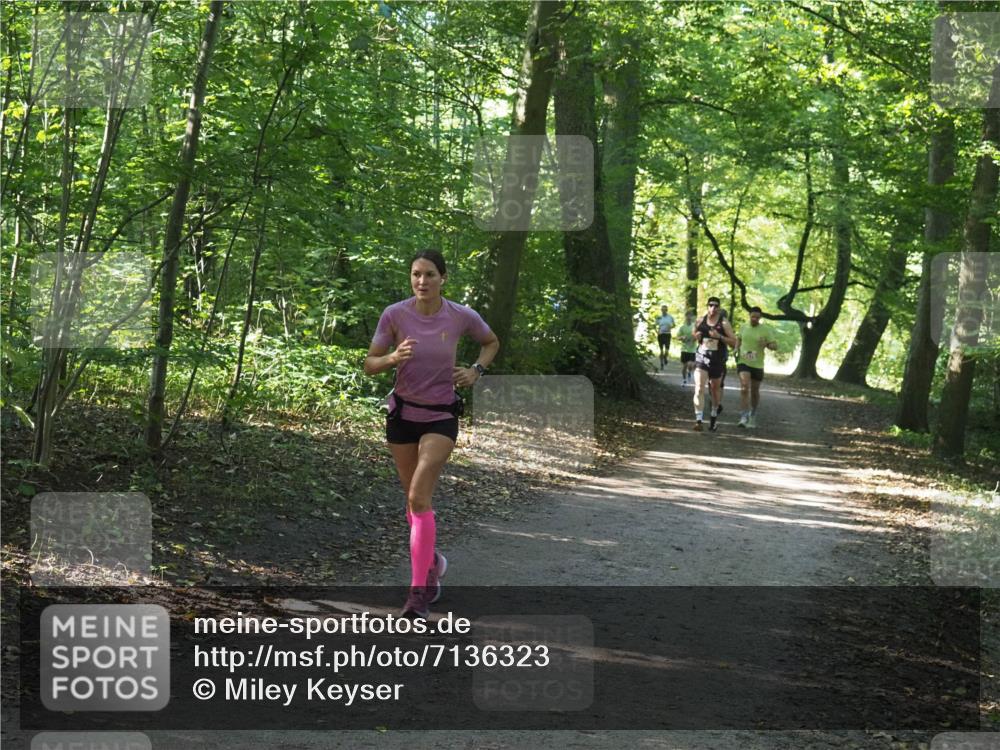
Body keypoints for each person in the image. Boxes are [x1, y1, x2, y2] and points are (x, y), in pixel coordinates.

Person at [364, 250, 499, 618]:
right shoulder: (395, 314)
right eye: (415, 275)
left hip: (441, 416)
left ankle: (418, 594)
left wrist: (476, 371)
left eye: (429, 275)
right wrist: (392, 359)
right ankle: (432, 563)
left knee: (420, 497)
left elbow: (491, 342)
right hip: (402, 415)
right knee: (413, 502)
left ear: (443, 278)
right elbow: (369, 364)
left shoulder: (460, 316)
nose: (421, 282)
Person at [692, 296, 737, 432]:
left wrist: (720, 337)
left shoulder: (724, 324)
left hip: (717, 360)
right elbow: (694, 333)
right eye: (710, 305)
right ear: (707, 306)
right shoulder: (700, 320)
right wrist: (697, 336)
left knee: (714, 390)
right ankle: (698, 420)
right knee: (699, 388)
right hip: (702, 358)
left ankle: (713, 419)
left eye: (716, 306)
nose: (713, 308)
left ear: (719, 308)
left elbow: (734, 342)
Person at [736, 306, 777, 428]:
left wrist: (767, 344)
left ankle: (753, 414)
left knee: (754, 391)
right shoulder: (743, 327)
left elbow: (775, 346)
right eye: (753, 316)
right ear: (749, 316)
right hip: (743, 361)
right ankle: (743, 416)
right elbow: (738, 338)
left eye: (757, 317)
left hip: (757, 364)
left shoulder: (765, 330)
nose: (755, 319)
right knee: (744, 388)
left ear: (760, 318)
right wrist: (735, 348)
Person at [677, 310, 697, 386]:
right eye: (687, 316)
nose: (689, 317)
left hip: (692, 349)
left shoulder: (694, 326)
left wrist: (694, 338)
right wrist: (682, 337)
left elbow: (698, 335)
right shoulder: (682, 327)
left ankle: (689, 371)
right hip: (684, 349)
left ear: (692, 317)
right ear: (685, 317)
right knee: (684, 365)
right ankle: (684, 380)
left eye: (690, 316)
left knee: (690, 365)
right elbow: (678, 337)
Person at [655, 305, 675, 371]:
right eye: (662, 310)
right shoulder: (659, 317)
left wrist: (670, 327)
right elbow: (655, 325)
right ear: (661, 310)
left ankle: (665, 357)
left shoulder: (670, 317)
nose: (663, 311)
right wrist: (657, 331)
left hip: (667, 334)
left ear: (667, 310)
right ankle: (661, 364)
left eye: (665, 310)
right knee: (661, 350)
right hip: (660, 335)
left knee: (666, 350)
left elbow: (674, 325)